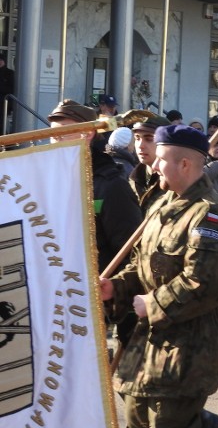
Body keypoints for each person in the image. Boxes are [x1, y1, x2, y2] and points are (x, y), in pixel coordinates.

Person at [99, 124, 218, 428]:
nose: (153, 165)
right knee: (136, 417)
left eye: (161, 159)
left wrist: (154, 304)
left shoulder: (208, 215)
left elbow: (206, 281)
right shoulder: (163, 204)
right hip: (148, 348)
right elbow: (143, 263)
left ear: (185, 164)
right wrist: (116, 288)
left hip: (186, 353)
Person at [49, 99, 143, 348]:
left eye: (61, 131)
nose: (54, 138)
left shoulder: (111, 186)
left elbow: (132, 252)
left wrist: (117, 304)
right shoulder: (48, 180)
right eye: (51, 133)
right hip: (50, 300)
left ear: (88, 133)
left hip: (89, 305)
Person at [127, 114, 173, 212]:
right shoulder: (133, 180)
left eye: (149, 139)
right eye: (137, 138)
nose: (140, 145)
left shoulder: (174, 184)